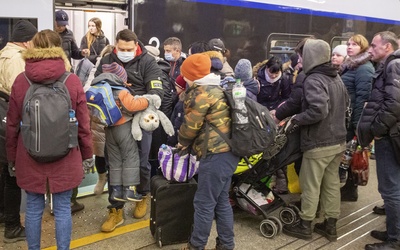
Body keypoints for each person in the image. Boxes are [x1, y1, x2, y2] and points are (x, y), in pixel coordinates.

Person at [6, 29, 93, 250]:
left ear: (33, 48)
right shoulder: (71, 80)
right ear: (59, 50)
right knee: (63, 207)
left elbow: (12, 125)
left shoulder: (21, 80)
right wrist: (88, 155)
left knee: (34, 208)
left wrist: (11, 158)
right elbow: (83, 124)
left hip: (29, 154)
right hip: (66, 155)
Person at [95, 29, 163, 232]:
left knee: (142, 164)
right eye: (121, 48)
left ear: (136, 46)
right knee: (114, 166)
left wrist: (131, 101)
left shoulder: (147, 62)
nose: (124, 52)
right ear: (115, 45)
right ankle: (116, 210)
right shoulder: (107, 59)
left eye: (128, 49)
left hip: (139, 121)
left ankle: (142, 196)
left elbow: (157, 92)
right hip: (114, 122)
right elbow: (96, 85)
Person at [282, 38, 348, 242]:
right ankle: (330, 226)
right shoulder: (336, 76)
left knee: (310, 185)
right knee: (331, 184)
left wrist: (296, 119)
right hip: (338, 141)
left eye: (303, 55)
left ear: (311, 56)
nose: (300, 59)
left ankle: (305, 224)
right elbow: (346, 104)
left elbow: (318, 110)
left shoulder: (313, 79)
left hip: (319, 142)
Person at [178, 53, 240, 250]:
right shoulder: (218, 87)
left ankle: (196, 246)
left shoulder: (201, 93)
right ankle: (226, 245)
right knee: (221, 201)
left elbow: (190, 126)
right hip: (230, 152)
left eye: (185, 75)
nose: (184, 79)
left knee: (204, 203)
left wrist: (182, 142)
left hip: (216, 154)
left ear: (192, 75)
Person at [358, 31, 400, 250]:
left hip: (389, 136)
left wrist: (377, 129)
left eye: (374, 45)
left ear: (387, 47)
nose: (370, 49)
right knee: (393, 188)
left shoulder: (393, 66)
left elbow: (394, 104)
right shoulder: (390, 65)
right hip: (390, 135)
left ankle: (395, 240)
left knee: (391, 189)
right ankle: (394, 231)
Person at [0, 19, 37, 243]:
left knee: (4, 169)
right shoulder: (16, 58)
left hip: (2, 115)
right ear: (27, 41)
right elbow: (19, 93)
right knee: (12, 173)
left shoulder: (3, 53)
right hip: (10, 117)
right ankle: (12, 226)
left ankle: (5, 214)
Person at [94, 62, 149, 206]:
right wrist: (145, 101)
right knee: (130, 157)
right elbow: (132, 106)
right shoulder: (121, 91)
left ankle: (117, 191)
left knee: (114, 162)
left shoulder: (100, 90)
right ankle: (130, 190)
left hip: (108, 130)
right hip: (123, 127)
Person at [55, 9, 89, 213]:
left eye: (64, 23)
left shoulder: (68, 34)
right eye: (59, 23)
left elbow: (74, 52)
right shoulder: (49, 34)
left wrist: (81, 53)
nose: (62, 26)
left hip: (67, 75)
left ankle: (68, 198)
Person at [339, 34, 374, 202]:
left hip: (352, 119)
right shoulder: (350, 66)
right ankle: (348, 189)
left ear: (363, 48)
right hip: (345, 117)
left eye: (354, 44)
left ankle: (351, 190)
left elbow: (363, 99)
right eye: (348, 44)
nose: (349, 46)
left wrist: (357, 125)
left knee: (352, 155)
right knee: (348, 154)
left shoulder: (364, 68)